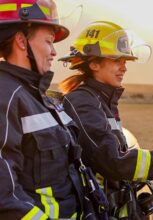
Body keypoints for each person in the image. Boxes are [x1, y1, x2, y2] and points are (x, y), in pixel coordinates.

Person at [58, 21, 153, 220]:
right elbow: (113, 160)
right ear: (94, 63)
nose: (124, 68)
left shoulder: (102, 100)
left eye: (125, 61)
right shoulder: (82, 101)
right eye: (117, 60)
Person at [0, 0, 104, 219]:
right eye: (49, 41)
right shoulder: (5, 96)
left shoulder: (39, 98)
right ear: (21, 41)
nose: (54, 52)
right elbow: (5, 198)